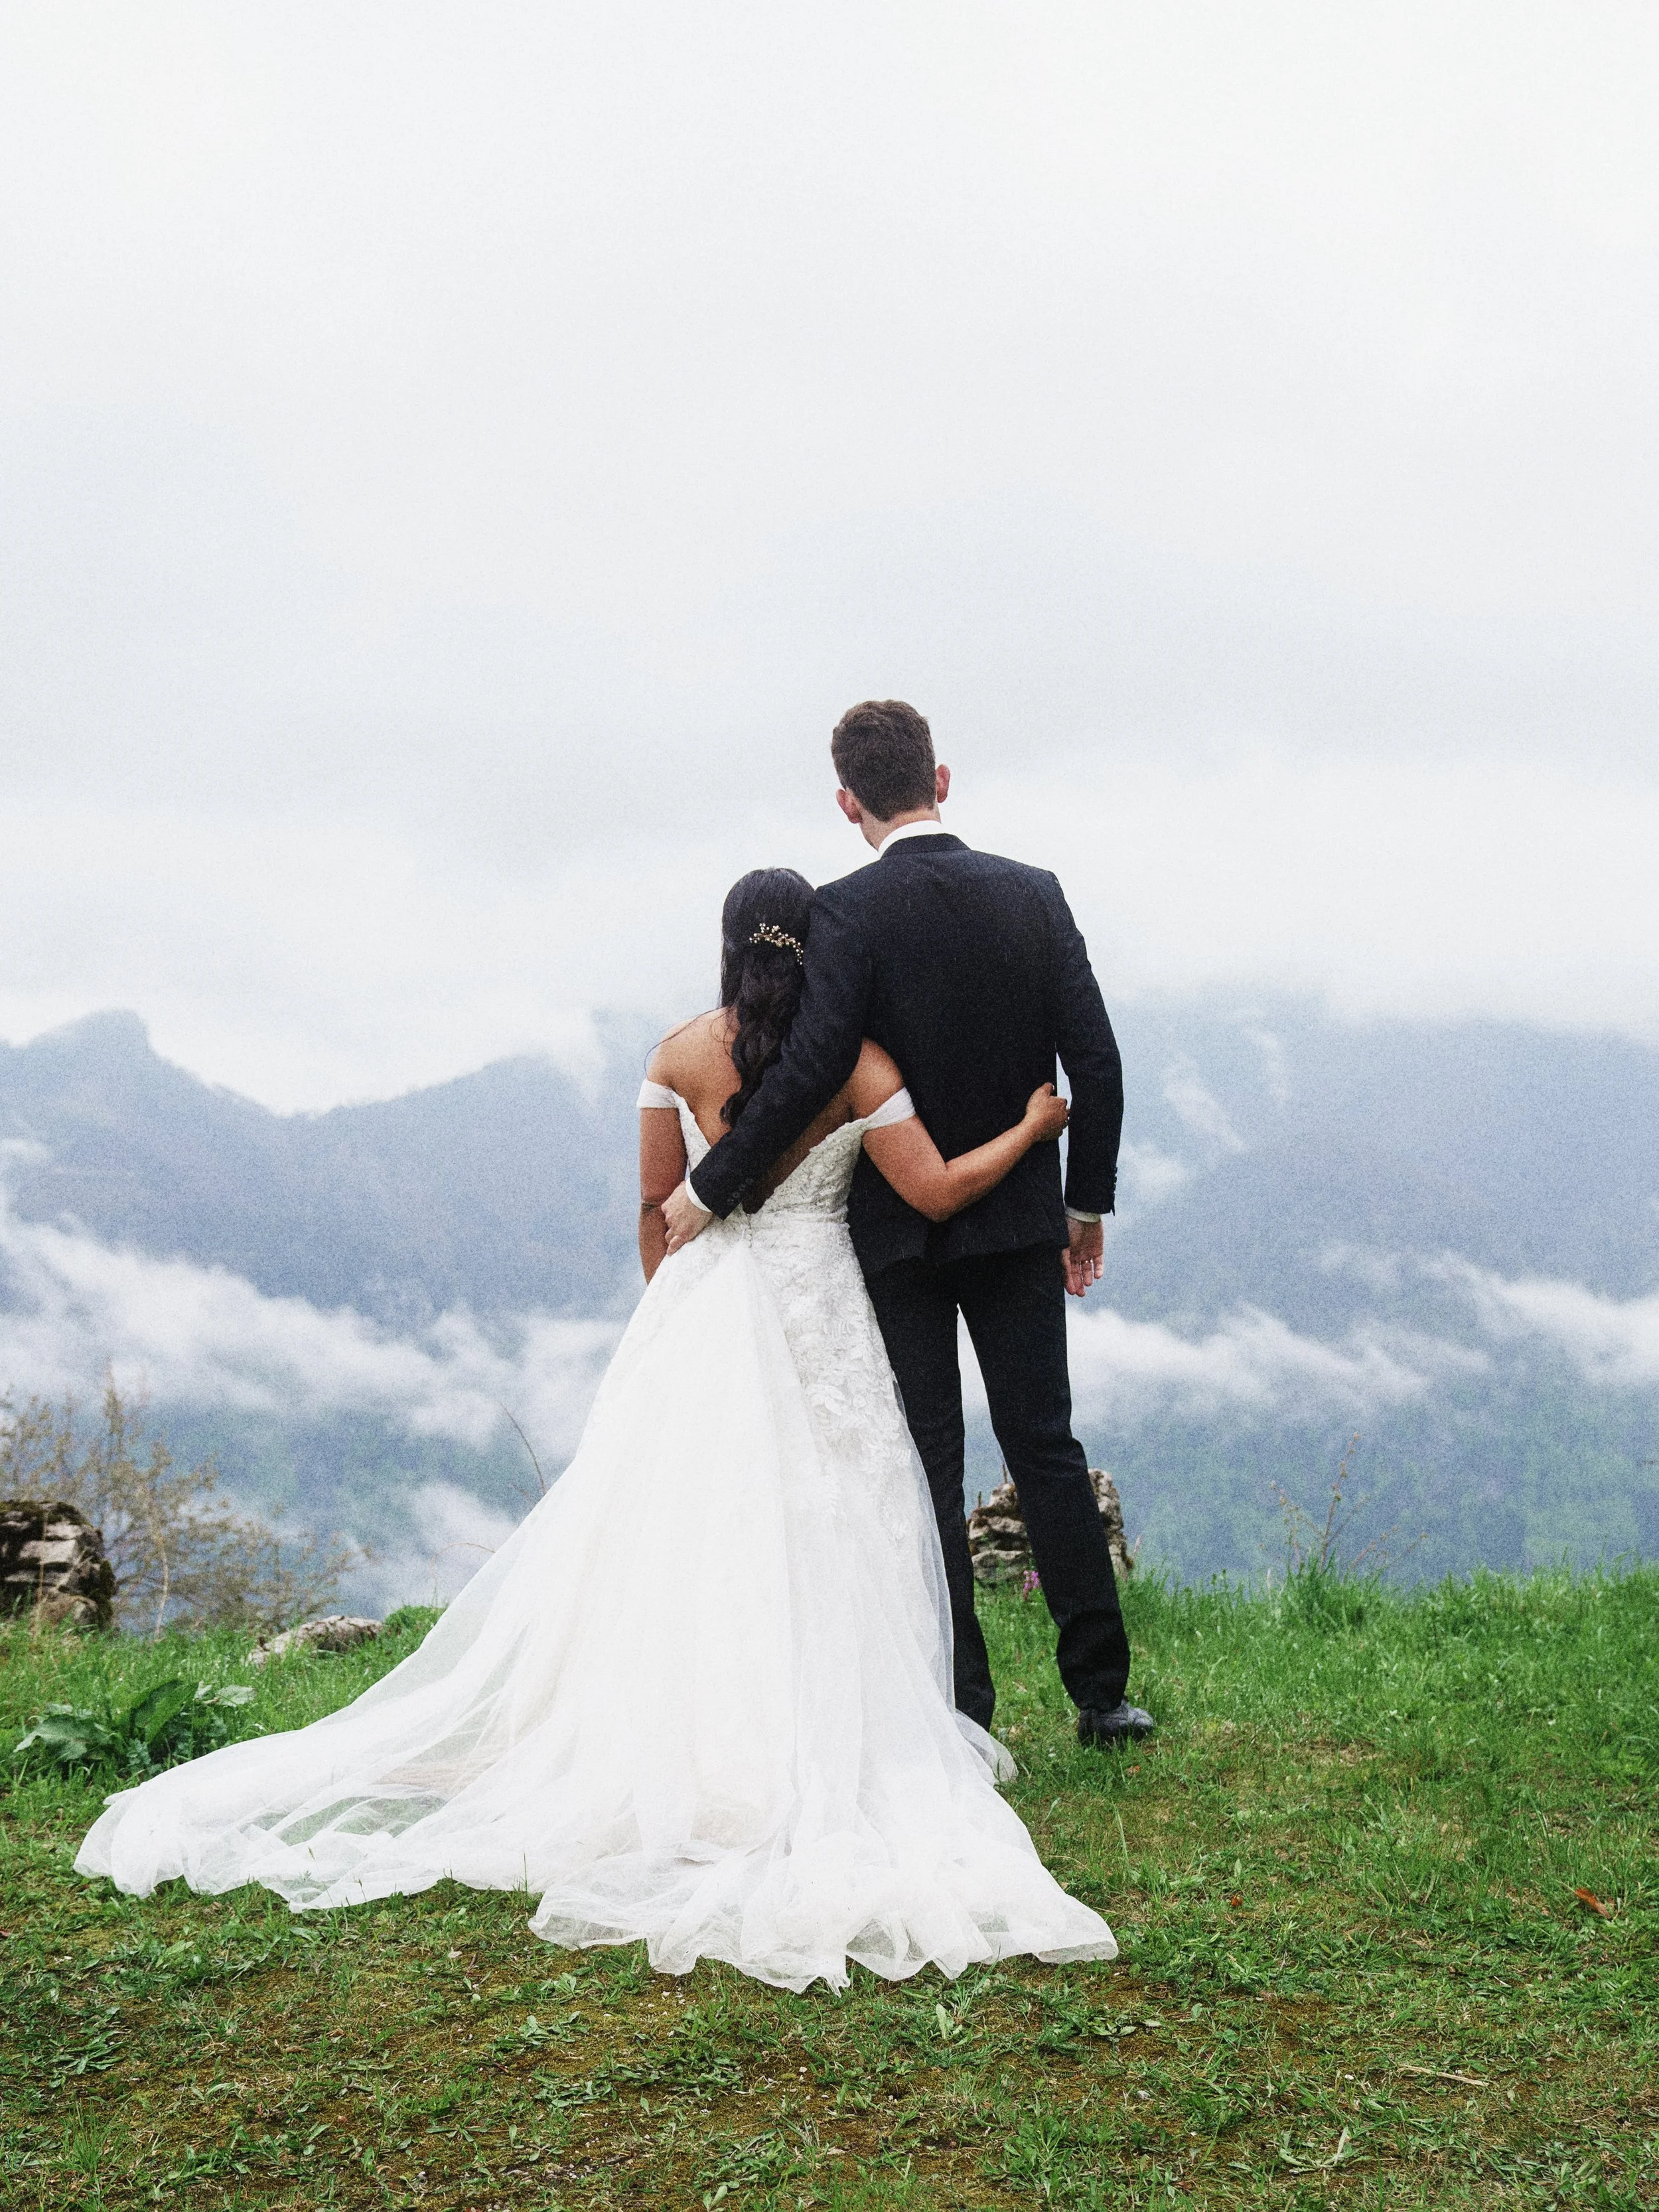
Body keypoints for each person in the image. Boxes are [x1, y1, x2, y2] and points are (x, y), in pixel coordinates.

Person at [75, 863, 1116, 1992]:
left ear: (727, 948)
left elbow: (654, 1210)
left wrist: (669, 1318)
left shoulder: (674, 1057)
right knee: (842, 1514)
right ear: (823, 955)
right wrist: (1031, 1126)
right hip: (822, 1315)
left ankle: (674, 1739)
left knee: (680, 1529)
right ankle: (855, 1729)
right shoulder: (861, 1065)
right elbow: (941, 1192)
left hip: (706, 1312)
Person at [663, 700, 1153, 1749]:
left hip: (897, 1236)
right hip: (1022, 1218)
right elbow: (1099, 1061)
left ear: (848, 801)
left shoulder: (842, 911)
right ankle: (1102, 1695)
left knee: (929, 1458)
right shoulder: (1035, 894)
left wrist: (712, 1189)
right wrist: (1083, 1204)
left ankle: (961, 1706)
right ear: (943, 776)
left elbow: (811, 1067)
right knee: (1046, 1446)